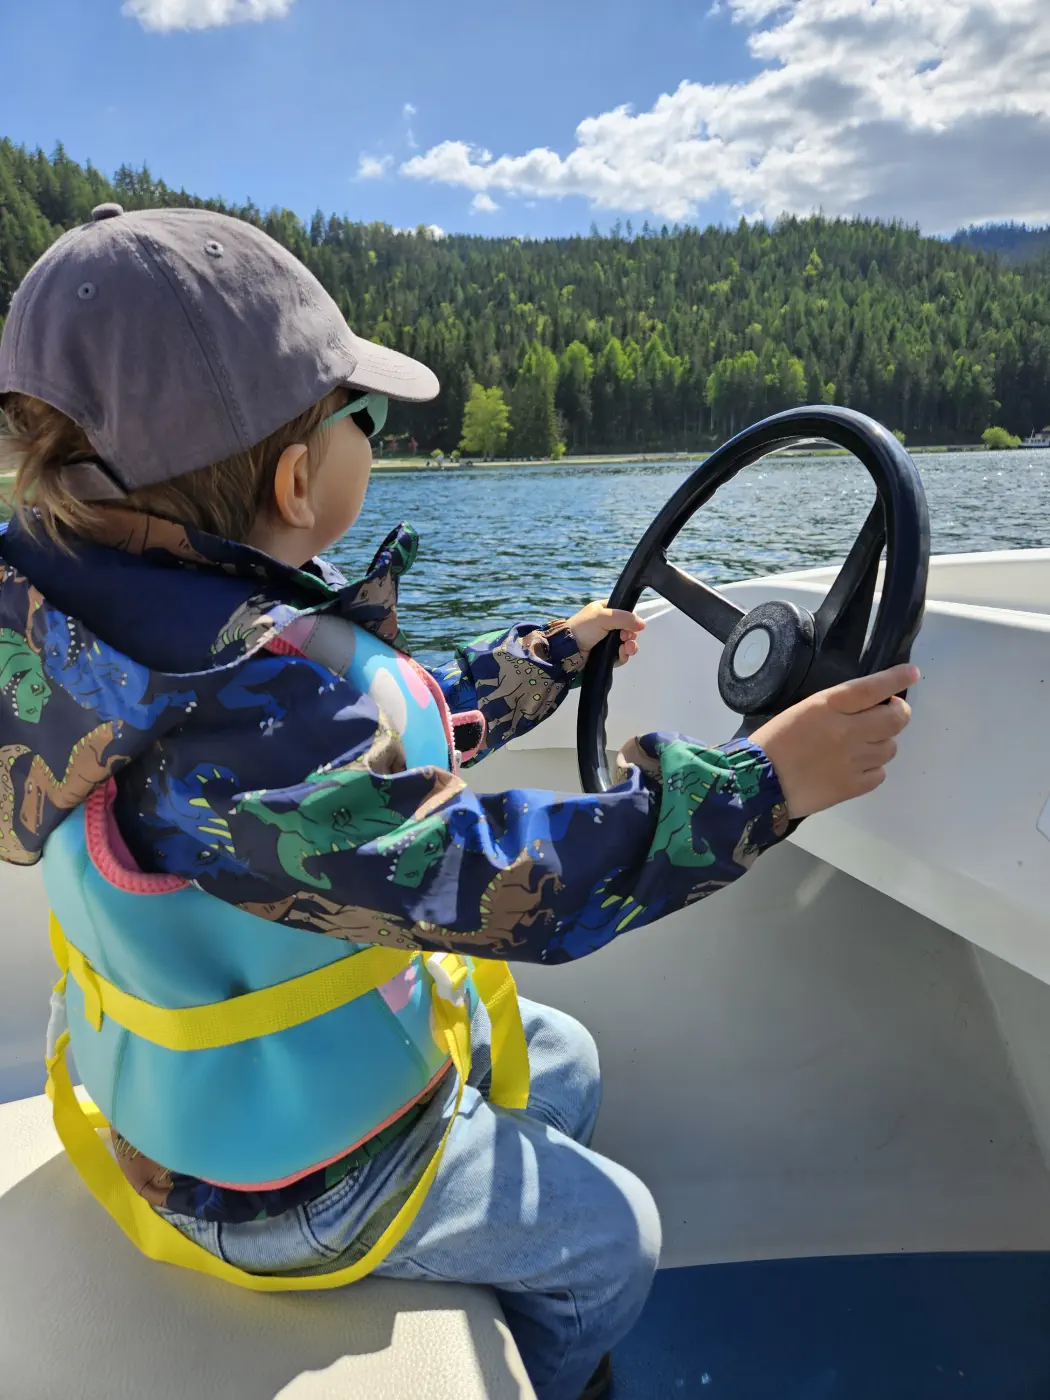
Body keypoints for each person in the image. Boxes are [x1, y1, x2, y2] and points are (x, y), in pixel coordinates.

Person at [0, 205, 915, 1400]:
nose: (372, 436)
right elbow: (508, 885)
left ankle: (482, 1240)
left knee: (568, 1063)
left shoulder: (121, 655)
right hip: (279, 1184)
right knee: (616, 1239)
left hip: (194, 1100)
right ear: (295, 474)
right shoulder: (232, 718)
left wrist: (547, 654)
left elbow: (374, 727)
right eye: (362, 415)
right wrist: (764, 784)